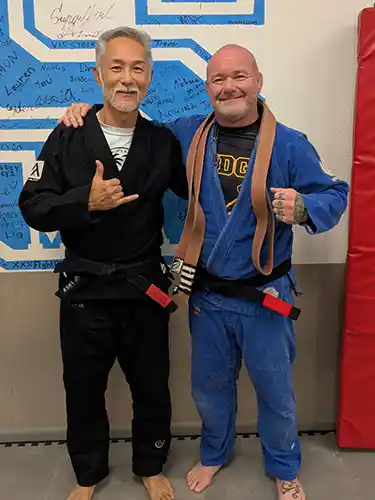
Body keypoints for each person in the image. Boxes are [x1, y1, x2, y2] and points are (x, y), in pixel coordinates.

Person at [58, 44, 349, 500]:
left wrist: (306, 206)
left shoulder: (291, 143)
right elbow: (132, 133)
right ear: (207, 87)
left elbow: (335, 194)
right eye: (218, 79)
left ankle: (284, 466)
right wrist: (84, 113)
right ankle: (214, 453)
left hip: (264, 294)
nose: (229, 86)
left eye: (239, 76)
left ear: (258, 80)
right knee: (210, 389)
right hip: (207, 295)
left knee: (275, 391)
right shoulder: (187, 134)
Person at [19, 27, 189, 500]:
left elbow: (198, 196)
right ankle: (88, 474)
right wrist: (84, 200)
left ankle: (150, 465)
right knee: (84, 388)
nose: (127, 78)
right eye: (116, 67)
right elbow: (31, 206)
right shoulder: (66, 135)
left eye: (138, 68)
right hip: (85, 290)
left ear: (150, 76)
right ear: (98, 74)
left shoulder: (163, 142)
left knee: (153, 386)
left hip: (144, 286)